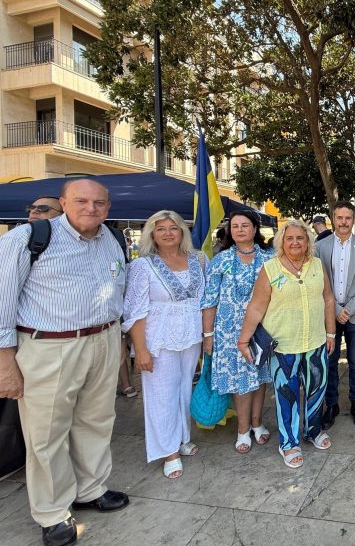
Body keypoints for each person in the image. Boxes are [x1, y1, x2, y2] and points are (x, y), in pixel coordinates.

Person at [0, 178, 129, 546]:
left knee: (97, 420)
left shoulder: (112, 239)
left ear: (108, 207)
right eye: (81, 201)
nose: (91, 208)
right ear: (63, 202)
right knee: (46, 434)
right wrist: (5, 363)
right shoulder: (27, 238)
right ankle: (53, 512)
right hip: (50, 346)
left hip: (103, 339)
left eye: (99, 203)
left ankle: (91, 488)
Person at [236, 220, 336, 469]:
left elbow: (328, 299)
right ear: (281, 241)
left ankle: (313, 431)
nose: (295, 243)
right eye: (289, 238)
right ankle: (288, 443)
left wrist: (331, 333)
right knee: (287, 395)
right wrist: (244, 339)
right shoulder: (270, 268)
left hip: (315, 342)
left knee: (316, 391)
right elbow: (256, 307)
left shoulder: (317, 265)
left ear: (308, 241)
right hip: (283, 347)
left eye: (300, 238)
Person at [122, 210, 207, 480]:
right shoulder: (142, 265)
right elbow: (135, 311)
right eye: (161, 229)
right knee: (161, 395)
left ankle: (182, 438)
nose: (168, 233)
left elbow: (205, 300)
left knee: (183, 389)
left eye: (173, 228)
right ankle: (168, 451)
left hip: (190, 335)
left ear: (182, 232)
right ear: (152, 234)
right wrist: (141, 350)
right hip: (158, 338)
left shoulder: (197, 260)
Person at [201, 210, 275, 454]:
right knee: (239, 380)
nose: (240, 230)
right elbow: (209, 300)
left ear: (255, 229)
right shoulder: (220, 260)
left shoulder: (270, 258)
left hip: (262, 329)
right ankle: (243, 429)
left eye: (245, 225)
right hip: (228, 332)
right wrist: (208, 336)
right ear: (229, 231)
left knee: (259, 376)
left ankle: (257, 422)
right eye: (235, 226)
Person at [316, 202, 355, 429]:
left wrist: (347, 309)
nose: (343, 222)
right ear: (333, 219)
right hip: (329, 315)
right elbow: (318, 281)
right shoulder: (320, 247)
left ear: (353, 219)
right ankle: (332, 404)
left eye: (347, 218)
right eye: (339, 217)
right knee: (330, 362)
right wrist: (336, 310)